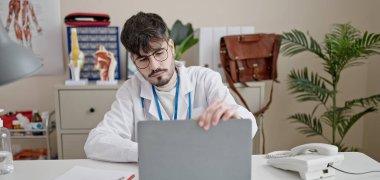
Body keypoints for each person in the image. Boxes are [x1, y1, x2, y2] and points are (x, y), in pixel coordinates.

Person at [84, 12, 257, 162]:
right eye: (143, 59)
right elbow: (95, 142)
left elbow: (249, 124)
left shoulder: (204, 79)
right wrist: (149, 152)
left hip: (202, 166)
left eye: (159, 53)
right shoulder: (130, 90)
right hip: (156, 169)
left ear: (171, 47)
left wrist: (235, 120)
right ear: (133, 61)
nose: (154, 65)